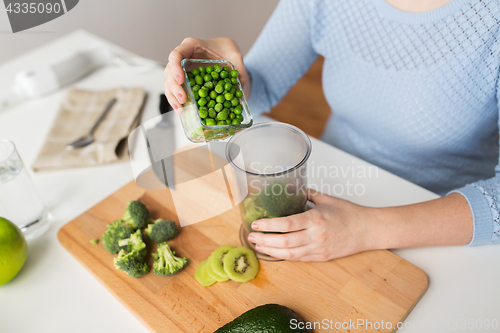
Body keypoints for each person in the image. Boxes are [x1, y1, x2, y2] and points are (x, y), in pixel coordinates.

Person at [164, 0, 500, 261]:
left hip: (443, 224)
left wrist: (366, 229)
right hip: (330, 192)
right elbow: (262, 87)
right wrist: (225, 77)